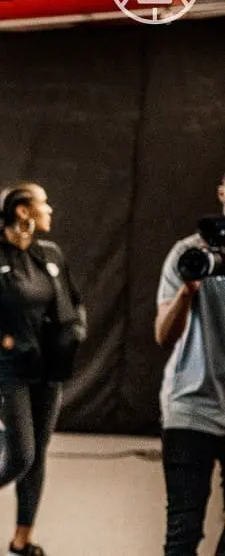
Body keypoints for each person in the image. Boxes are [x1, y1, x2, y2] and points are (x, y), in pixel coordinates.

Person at [0, 182, 86, 556]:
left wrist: (74, 331)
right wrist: (4, 341)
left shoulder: (50, 254)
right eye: (44, 204)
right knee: (21, 456)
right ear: (23, 211)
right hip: (8, 370)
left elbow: (73, 302)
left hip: (49, 371)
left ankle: (22, 540)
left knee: (38, 456)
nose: (50, 210)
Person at [154, 173, 225, 556]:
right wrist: (188, 290)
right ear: (221, 192)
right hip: (190, 405)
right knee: (183, 530)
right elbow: (164, 335)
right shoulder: (189, 254)